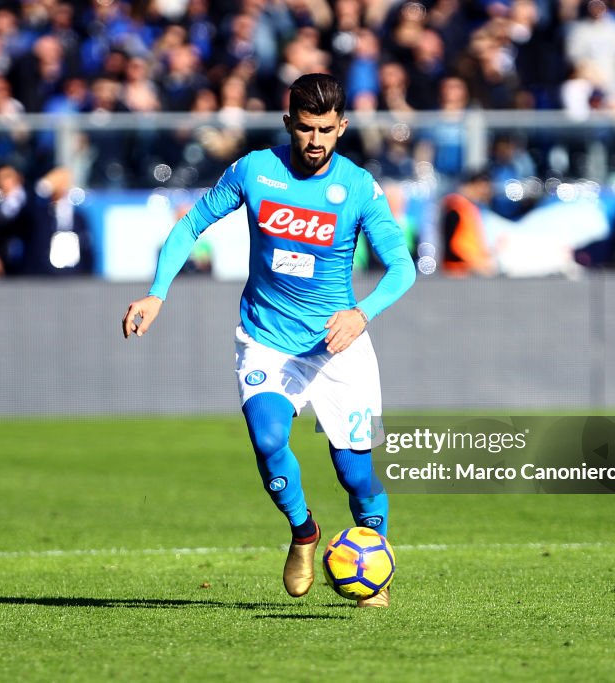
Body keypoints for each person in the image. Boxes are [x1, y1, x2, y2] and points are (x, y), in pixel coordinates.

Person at [121, 73, 416, 608]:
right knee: (268, 439)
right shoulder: (255, 171)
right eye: (305, 128)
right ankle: (304, 532)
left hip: (341, 347)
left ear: (343, 126)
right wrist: (156, 293)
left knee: (358, 473)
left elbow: (402, 267)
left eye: (327, 129)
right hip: (267, 338)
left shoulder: (357, 188)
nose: (316, 141)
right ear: (288, 124)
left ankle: (374, 559)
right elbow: (190, 225)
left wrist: (362, 313)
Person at [439, 170, 496, 277]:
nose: (485, 192)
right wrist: (478, 264)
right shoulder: (456, 207)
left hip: (466, 269)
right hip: (458, 270)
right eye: (482, 187)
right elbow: (456, 244)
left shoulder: (468, 208)